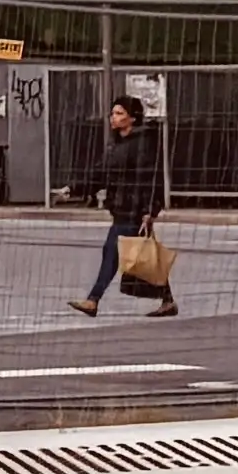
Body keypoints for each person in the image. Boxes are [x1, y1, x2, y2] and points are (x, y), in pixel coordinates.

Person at [75, 91, 175, 314]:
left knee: (112, 253)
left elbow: (149, 179)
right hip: (121, 208)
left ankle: (93, 300)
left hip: (134, 209)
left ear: (132, 118)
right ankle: (168, 300)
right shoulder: (117, 145)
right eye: (112, 113)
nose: (113, 117)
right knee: (144, 256)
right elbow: (100, 175)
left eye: (119, 113)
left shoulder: (141, 145)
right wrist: (73, 189)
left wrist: (149, 211)